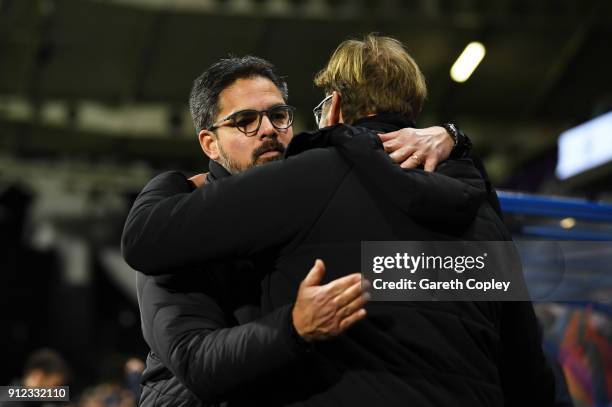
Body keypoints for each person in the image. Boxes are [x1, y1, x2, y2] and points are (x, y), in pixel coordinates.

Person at [123, 35, 556, 406]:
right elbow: (528, 376)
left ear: (332, 108)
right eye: (245, 121)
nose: (269, 130)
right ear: (209, 143)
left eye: (278, 115)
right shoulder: (480, 213)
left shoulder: (307, 184)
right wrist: (457, 140)